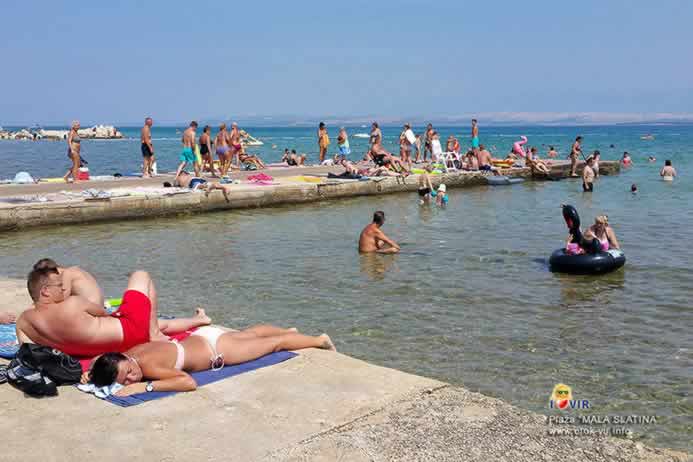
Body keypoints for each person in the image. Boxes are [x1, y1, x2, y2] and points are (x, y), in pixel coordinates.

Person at [16, 267, 209, 357]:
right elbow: (103, 313)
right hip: (130, 331)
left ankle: (198, 319)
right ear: (45, 291)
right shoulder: (73, 303)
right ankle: (154, 334)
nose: (63, 289)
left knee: (158, 322)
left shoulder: (24, 321)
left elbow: (28, 352)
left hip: (103, 349)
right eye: (59, 286)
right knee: (140, 275)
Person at [87, 325, 335, 395]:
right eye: (126, 379)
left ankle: (317, 340)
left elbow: (187, 382)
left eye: (129, 371)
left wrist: (146, 385)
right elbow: (102, 359)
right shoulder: (132, 352)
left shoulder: (148, 367)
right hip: (204, 336)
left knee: (274, 345)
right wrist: (92, 373)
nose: (132, 377)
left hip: (218, 350)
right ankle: (288, 331)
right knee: (249, 334)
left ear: (127, 360)